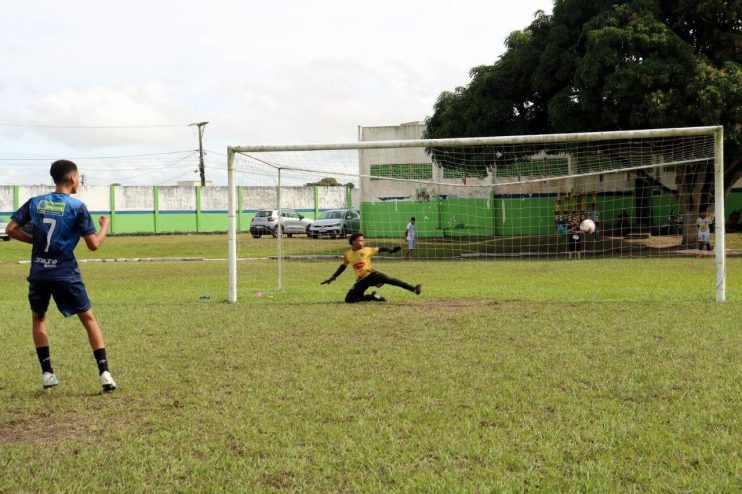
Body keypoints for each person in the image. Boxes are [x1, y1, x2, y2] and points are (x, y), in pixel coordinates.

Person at [5, 160, 117, 392]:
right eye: (78, 177)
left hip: (39, 272)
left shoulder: (35, 203)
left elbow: (11, 230)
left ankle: (47, 374)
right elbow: (94, 244)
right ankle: (105, 374)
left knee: (39, 318)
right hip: (66, 273)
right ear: (71, 179)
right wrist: (105, 225)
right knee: (88, 319)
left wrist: (35, 240)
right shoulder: (77, 207)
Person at [321, 232, 422, 303]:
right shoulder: (348, 254)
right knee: (349, 300)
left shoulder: (367, 250)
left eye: (363, 240)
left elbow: (380, 249)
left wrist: (391, 249)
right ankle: (372, 297)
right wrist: (332, 277)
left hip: (372, 275)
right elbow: (343, 266)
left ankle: (413, 288)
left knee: (391, 280)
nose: (363, 242)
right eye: (360, 240)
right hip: (361, 280)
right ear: (353, 242)